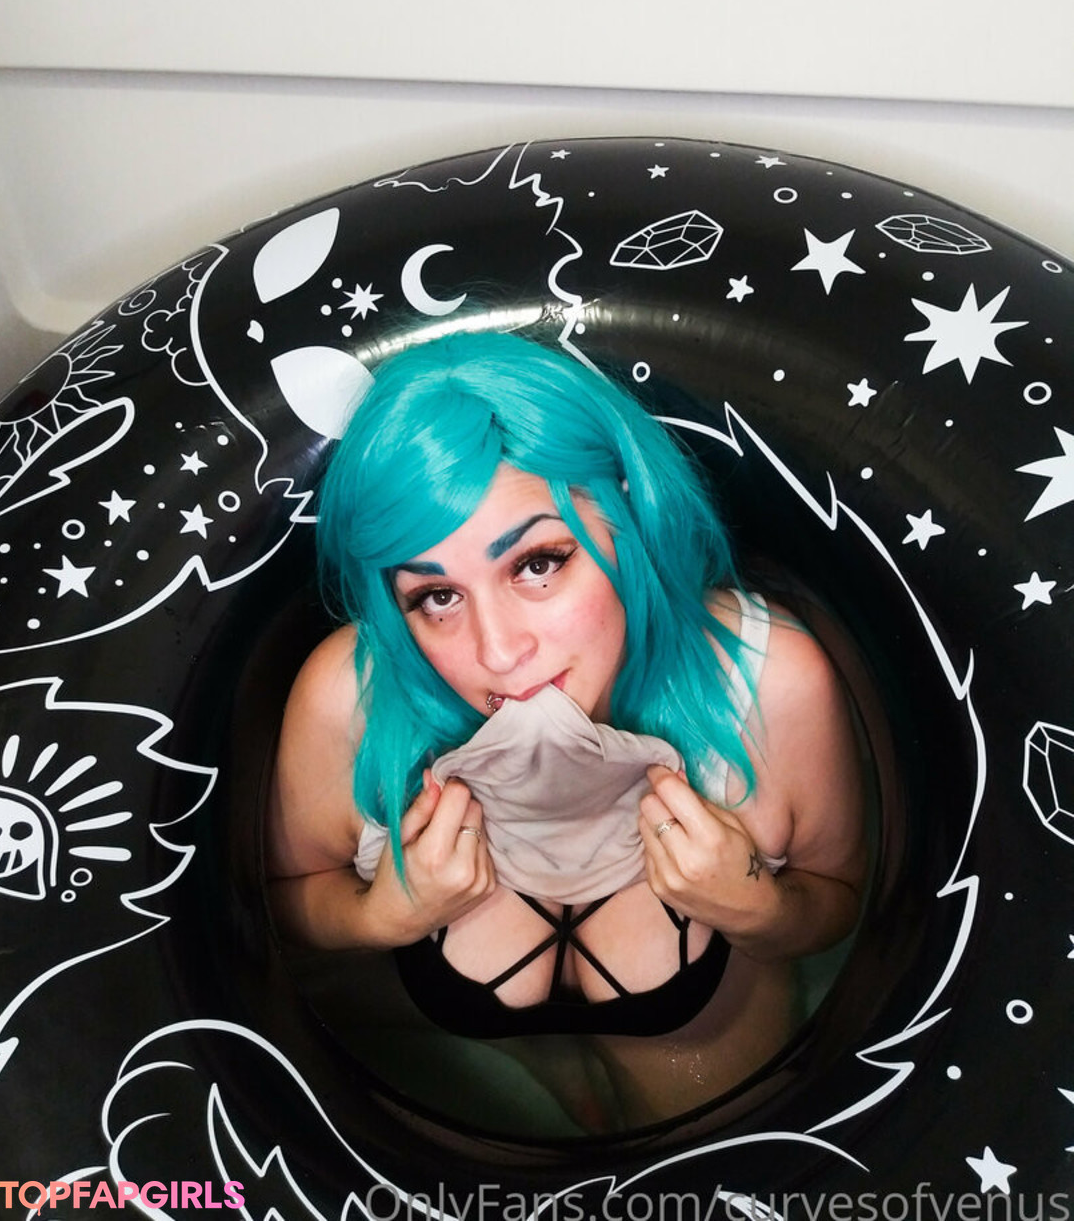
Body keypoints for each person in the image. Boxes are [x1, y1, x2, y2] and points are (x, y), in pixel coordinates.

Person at [267, 330, 866, 1126]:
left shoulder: (766, 683)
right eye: (436, 596)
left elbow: (842, 901)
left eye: (538, 563)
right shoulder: (352, 700)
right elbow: (280, 902)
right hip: (465, 1076)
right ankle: (546, 1067)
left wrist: (758, 907)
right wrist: (379, 916)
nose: (498, 651)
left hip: (699, 1058)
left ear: (626, 510)